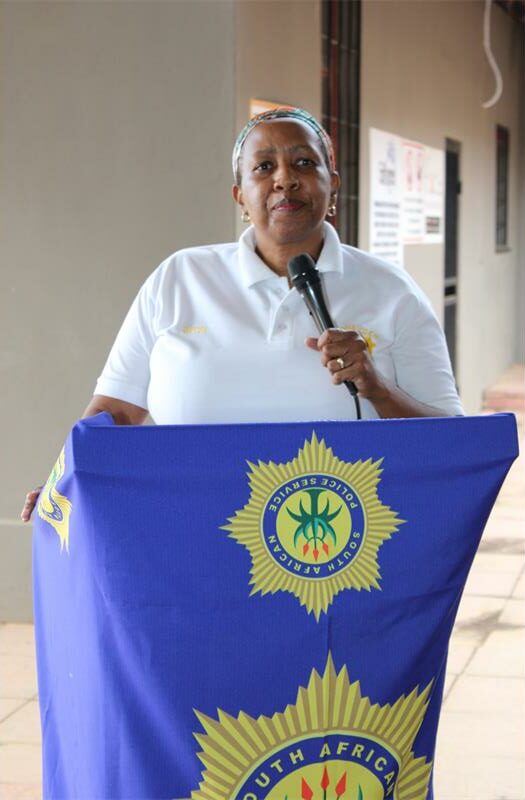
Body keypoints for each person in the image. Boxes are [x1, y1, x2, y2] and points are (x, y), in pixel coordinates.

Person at [21, 106, 463, 521]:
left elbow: (454, 444)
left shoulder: (392, 291)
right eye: (264, 167)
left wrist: (376, 387)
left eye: (304, 163)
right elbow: (114, 412)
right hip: (187, 533)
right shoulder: (179, 278)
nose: (285, 179)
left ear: (333, 185)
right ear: (240, 196)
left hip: (335, 543)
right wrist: (65, 483)